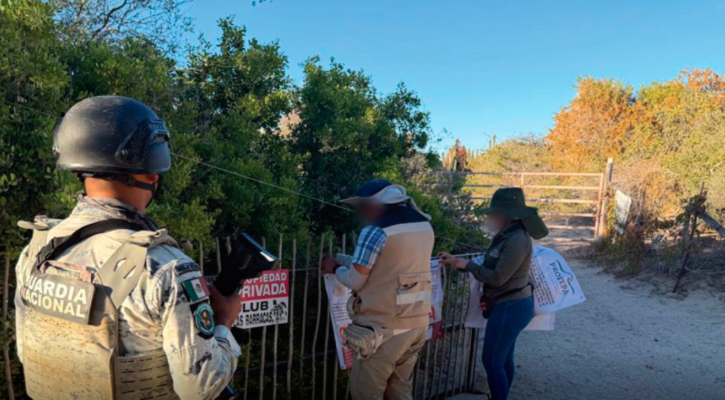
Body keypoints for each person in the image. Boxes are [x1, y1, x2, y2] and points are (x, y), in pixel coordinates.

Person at [14, 96, 242, 400]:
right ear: (151, 174)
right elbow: (201, 387)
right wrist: (224, 323)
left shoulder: (38, 249)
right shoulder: (165, 268)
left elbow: (27, 352)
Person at [320, 179, 435, 400]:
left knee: (365, 393)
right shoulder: (424, 226)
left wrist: (334, 267)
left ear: (374, 205)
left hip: (384, 329)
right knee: (400, 391)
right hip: (417, 324)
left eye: (361, 206)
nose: (360, 213)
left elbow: (355, 280)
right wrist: (343, 259)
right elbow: (386, 268)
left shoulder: (376, 231)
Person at [438, 187, 548, 400]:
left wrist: (469, 265)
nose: (491, 217)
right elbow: (492, 264)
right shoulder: (508, 235)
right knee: (503, 359)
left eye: (494, 213)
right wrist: (457, 262)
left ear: (506, 215)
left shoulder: (517, 240)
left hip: (511, 306)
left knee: (492, 361)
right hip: (508, 305)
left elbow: (498, 278)